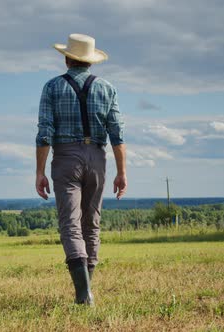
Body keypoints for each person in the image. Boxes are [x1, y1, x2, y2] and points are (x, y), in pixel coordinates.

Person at [35, 33, 127, 305]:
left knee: (70, 224)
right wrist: (122, 172)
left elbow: (44, 133)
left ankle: (83, 294)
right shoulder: (107, 88)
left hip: (65, 157)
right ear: (90, 61)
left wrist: (39, 171)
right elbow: (117, 134)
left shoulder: (52, 87)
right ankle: (86, 291)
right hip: (98, 156)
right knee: (91, 224)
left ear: (66, 58)